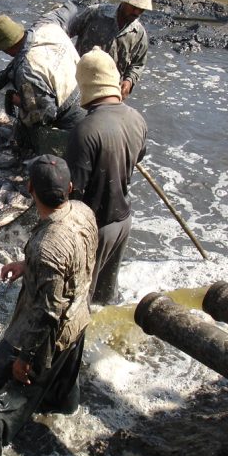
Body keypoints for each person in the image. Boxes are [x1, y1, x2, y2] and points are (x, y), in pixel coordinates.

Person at [0, 155, 97, 456]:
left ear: (30, 189)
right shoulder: (83, 211)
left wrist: (24, 359)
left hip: (49, 331)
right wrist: (27, 266)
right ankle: (68, 416)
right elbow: (70, 260)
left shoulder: (47, 245)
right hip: (80, 318)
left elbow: (47, 312)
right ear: (69, 187)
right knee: (65, 381)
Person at [64, 47, 148, 306]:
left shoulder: (85, 129)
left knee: (79, 303)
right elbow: (139, 156)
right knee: (106, 300)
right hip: (123, 220)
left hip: (95, 228)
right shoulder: (137, 118)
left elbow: (72, 190)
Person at [0, 13, 85, 155]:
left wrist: (17, 101)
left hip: (73, 114)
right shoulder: (48, 27)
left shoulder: (26, 70)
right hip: (89, 93)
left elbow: (47, 112)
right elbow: (66, 12)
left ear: (6, 48)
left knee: (65, 156)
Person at [54, 0, 153, 100]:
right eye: (134, 6)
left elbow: (138, 64)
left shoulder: (139, 34)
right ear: (125, 1)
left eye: (141, 9)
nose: (137, 12)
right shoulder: (96, 13)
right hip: (77, 82)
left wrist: (128, 81)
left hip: (109, 91)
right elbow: (65, 34)